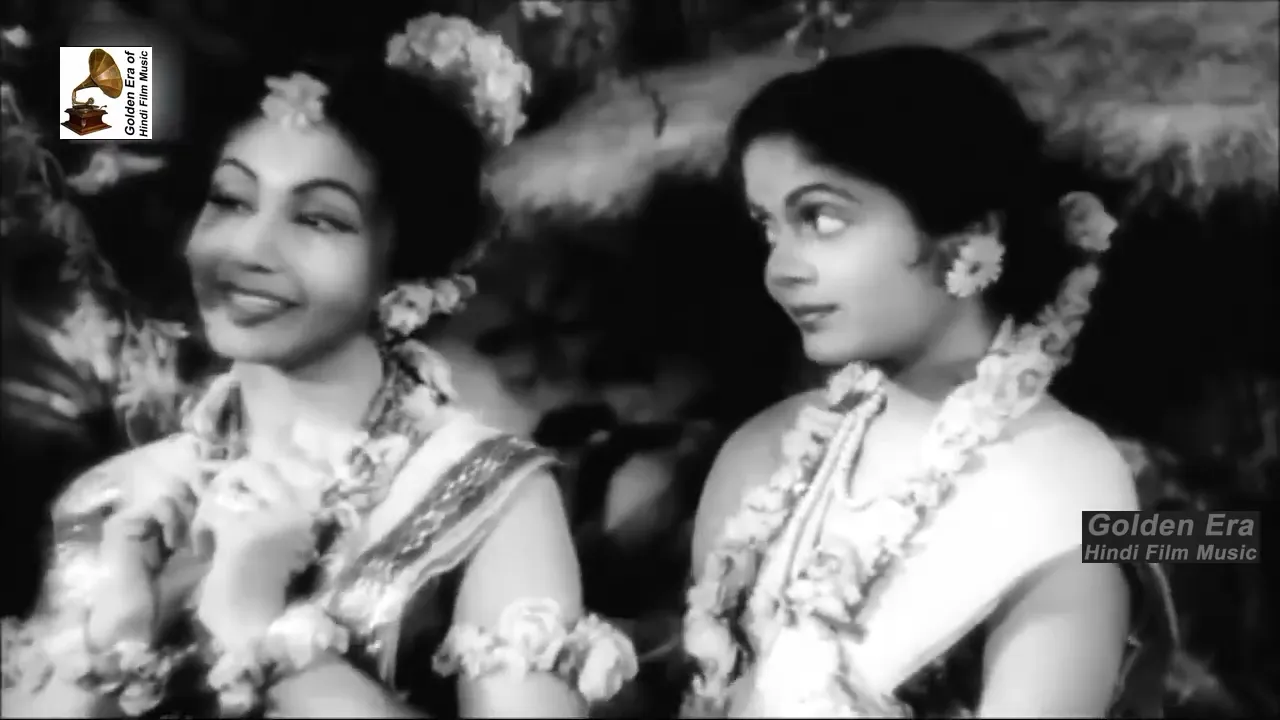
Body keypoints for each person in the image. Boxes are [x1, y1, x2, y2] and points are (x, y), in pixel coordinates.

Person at [0, 13, 636, 719]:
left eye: (318, 219)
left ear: (402, 264)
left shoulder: (485, 495)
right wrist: (118, 628)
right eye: (230, 201)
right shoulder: (119, 499)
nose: (249, 249)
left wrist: (261, 624)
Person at [681, 46, 1178, 717]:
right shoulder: (762, 455)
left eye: (822, 219)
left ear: (968, 234)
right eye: (769, 228)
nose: (781, 270)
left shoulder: (1065, 478)